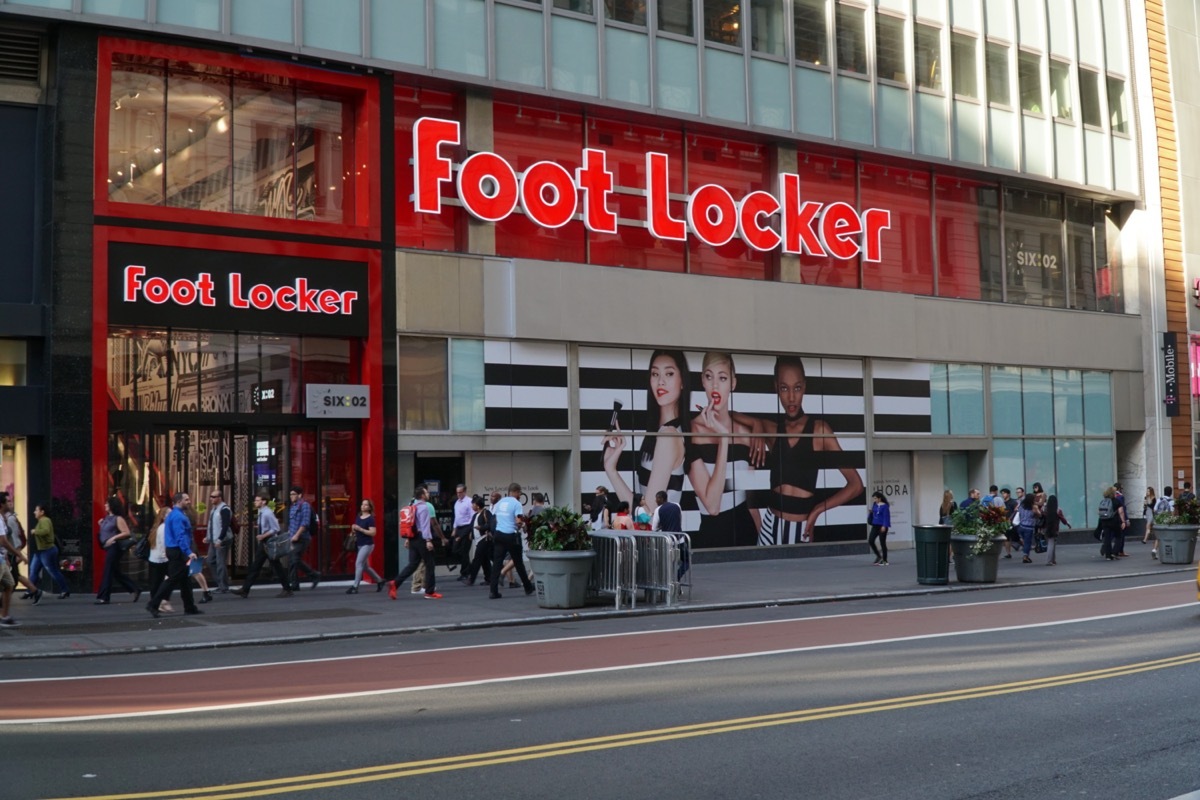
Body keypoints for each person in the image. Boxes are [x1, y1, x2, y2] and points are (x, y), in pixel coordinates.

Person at [756, 356, 863, 546]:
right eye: (784, 388)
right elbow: (735, 420)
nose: (791, 397)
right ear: (776, 388)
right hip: (768, 526)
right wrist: (756, 424)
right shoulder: (771, 428)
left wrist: (817, 510)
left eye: (797, 388)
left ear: (804, 387)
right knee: (760, 576)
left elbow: (855, 485)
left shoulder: (819, 430)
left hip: (799, 530)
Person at [684, 352, 762, 548]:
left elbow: (750, 502)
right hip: (712, 537)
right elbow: (712, 505)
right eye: (709, 377)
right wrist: (724, 439)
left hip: (747, 534)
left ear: (733, 383)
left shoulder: (745, 435)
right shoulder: (692, 432)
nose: (715, 386)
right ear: (702, 380)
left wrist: (764, 546)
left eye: (723, 378)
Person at [603, 350, 690, 517]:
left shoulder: (668, 436)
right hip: (655, 539)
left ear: (682, 382)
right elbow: (643, 513)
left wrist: (611, 471)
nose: (661, 381)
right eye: (655, 373)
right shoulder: (662, 432)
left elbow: (646, 516)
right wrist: (610, 469)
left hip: (658, 539)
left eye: (669, 373)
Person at [146, 492, 201, 618]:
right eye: (186, 500)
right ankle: (153, 604)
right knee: (172, 579)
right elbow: (180, 536)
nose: (189, 501)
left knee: (185, 580)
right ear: (178, 501)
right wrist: (189, 552)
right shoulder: (178, 517)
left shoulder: (173, 515)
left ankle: (190, 606)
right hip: (178, 551)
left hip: (174, 550)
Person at [233, 493, 293, 598]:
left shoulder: (267, 513)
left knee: (272, 566)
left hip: (268, 541)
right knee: (258, 566)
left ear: (264, 501)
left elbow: (276, 528)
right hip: (264, 542)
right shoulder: (262, 512)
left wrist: (263, 535)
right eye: (255, 500)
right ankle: (245, 589)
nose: (255, 502)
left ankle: (287, 589)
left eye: (257, 500)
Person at [388, 485, 441, 600]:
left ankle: (395, 583)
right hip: (422, 538)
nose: (428, 494)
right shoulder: (424, 507)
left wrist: (408, 539)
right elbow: (425, 525)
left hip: (412, 538)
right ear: (422, 495)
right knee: (430, 563)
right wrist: (428, 540)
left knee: (413, 564)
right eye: (426, 492)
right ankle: (430, 591)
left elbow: (410, 524)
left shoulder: (411, 506)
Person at [488, 483, 534, 600]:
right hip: (511, 536)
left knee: (497, 563)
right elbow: (518, 521)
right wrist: (523, 525)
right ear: (516, 492)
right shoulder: (516, 503)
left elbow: (494, 519)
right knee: (518, 562)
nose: (520, 495)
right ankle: (528, 587)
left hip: (498, 534)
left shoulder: (500, 502)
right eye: (519, 493)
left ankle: (493, 591)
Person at [95, 496, 140, 605]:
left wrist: (113, 538)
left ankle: (104, 597)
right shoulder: (106, 518)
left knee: (108, 570)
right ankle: (134, 588)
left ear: (112, 506)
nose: (105, 505)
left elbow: (126, 532)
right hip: (107, 547)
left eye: (107, 504)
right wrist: (101, 524)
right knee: (115, 572)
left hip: (114, 547)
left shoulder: (118, 518)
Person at [28, 504, 69, 599]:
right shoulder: (41, 521)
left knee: (52, 571)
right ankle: (30, 591)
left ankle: (65, 590)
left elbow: (45, 531)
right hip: (40, 551)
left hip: (47, 551)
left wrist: (35, 531)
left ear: (42, 512)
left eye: (36, 510)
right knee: (33, 570)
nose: (34, 512)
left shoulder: (45, 520)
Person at [286, 486, 321, 591]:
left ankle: (314, 575)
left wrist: (297, 535)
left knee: (295, 559)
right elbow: (292, 523)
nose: (291, 496)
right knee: (292, 560)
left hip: (302, 538)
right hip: (293, 538)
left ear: (300, 495)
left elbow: (305, 523)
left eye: (293, 494)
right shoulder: (293, 506)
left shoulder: (304, 505)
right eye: (290, 494)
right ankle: (295, 584)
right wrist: (290, 534)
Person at [347, 499, 384, 593]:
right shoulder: (359, 517)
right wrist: (354, 529)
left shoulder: (370, 519)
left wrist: (361, 529)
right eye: (362, 504)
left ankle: (355, 587)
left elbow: (373, 533)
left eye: (366, 505)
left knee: (358, 563)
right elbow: (356, 530)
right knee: (365, 567)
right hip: (359, 543)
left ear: (370, 507)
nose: (363, 506)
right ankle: (380, 581)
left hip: (367, 544)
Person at [0, 500, 25, 625]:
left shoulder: (3, 518)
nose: (9, 504)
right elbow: (3, 541)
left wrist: (6, 558)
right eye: (6, 502)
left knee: (9, 584)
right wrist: (17, 553)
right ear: (1, 505)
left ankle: (4, 616)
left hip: (2, 558)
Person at [459, 494, 493, 586]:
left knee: (476, 559)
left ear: (477, 505)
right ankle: (489, 578)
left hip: (484, 539)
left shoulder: (486, 513)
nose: (471, 506)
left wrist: (481, 527)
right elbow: (471, 527)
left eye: (473, 504)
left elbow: (490, 524)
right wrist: (470, 533)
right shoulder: (475, 515)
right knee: (484, 560)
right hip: (478, 540)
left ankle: (471, 579)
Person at [206, 490, 233, 594]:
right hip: (214, 539)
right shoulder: (214, 509)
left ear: (220, 498)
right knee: (210, 560)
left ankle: (223, 586)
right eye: (210, 496)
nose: (211, 499)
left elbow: (225, 526)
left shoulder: (224, 509)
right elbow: (212, 525)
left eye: (213, 497)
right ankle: (221, 583)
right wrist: (208, 537)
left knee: (220, 563)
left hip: (221, 540)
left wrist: (220, 539)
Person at [450, 484, 474, 574]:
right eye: (457, 493)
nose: (458, 494)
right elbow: (457, 517)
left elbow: (472, 517)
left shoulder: (469, 502)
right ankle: (469, 567)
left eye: (460, 492)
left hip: (466, 527)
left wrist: (470, 531)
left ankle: (465, 572)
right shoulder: (457, 503)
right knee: (455, 549)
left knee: (464, 551)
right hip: (459, 528)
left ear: (464, 492)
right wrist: (454, 529)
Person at [1098, 485, 1126, 560]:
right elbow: (1121, 512)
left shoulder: (1103, 501)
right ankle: (1114, 552)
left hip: (1104, 521)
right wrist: (1123, 521)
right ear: (1113, 493)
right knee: (1118, 536)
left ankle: (1108, 555)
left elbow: (1099, 511)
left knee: (1107, 538)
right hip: (1114, 521)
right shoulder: (1116, 501)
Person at [1042, 494, 1070, 566]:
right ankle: (1049, 561)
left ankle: (1053, 560)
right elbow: (1062, 519)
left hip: (1045, 528)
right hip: (1054, 528)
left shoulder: (1045, 509)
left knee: (1051, 544)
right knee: (1052, 544)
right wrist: (1067, 524)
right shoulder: (1058, 510)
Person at [867, 491, 891, 565]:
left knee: (882, 542)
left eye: (875, 498)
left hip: (882, 526)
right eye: (874, 499)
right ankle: (878, 556)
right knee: (871, 540)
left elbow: (886, 517)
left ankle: (885, 560)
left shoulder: (885, 506)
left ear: (879, 498)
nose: (874, 500)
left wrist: (884, 526)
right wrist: (871, 512)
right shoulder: (875, 505)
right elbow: (874, 513)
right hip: (875, 525)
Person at [1016, 493, 1041, 563]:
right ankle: (1025, 556)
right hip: (1029, 527)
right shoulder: (1033, 507)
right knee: (1028, 542)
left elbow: (1019, 513)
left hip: (1021, 526)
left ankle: (1022, 547)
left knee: (1024, 541)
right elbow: (1039, 514)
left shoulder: (1022, 505)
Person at [1151, 486, 1173, 559]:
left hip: (1158, 520)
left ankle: (1154, 549)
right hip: (1166, 520)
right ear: (1171, 492)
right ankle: (1167, 552)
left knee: (1158, 536)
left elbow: (1154, 510)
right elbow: (1172, 512)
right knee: (1168, 536)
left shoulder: (1159, 499)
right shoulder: (1171, 501)